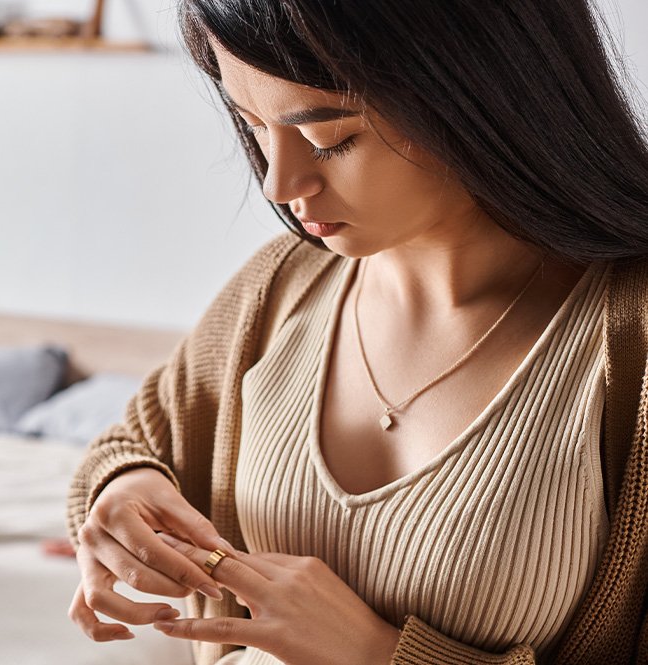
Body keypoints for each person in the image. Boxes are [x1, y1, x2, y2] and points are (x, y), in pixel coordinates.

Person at [66, 0, 648, 663]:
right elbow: (136, 442)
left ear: (484, 92)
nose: (281, 186)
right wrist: (121, 490)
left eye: (328, 139)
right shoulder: (283, 283)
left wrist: (376, 653)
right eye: (253, 127)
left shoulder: (627, 340)